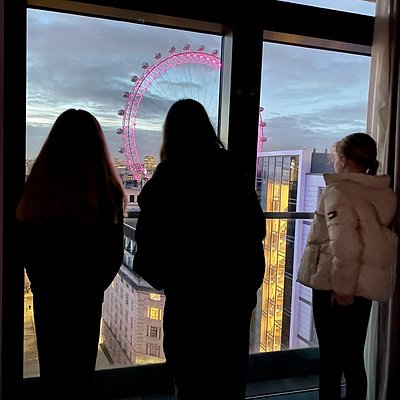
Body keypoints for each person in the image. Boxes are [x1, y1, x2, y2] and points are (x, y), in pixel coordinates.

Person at [133, 98, 266, 400]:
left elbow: (148, 250)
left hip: (190, 301)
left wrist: (172, 279)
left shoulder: (168, 176)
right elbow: (256, 229)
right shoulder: (233, 169)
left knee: (191, 382)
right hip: (233, 299)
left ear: (170, 134)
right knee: (229, 380)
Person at [16, 109, 127, 399]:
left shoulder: (37, 189)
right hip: (86, 298)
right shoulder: (109, 193)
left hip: (48, 295)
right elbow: (112, 255)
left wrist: (39, 280)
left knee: (52, 372)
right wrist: (93, 286)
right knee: (80, 375)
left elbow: (25, 242)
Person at [297, 132, 398, 400]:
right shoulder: (380, 192)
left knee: (330, 363)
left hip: (336, 287)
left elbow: (345, 245)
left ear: (342, 159)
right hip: (364, 287)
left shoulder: (339, 192)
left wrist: (342, 290)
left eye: (335, 158)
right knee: (354, 360)